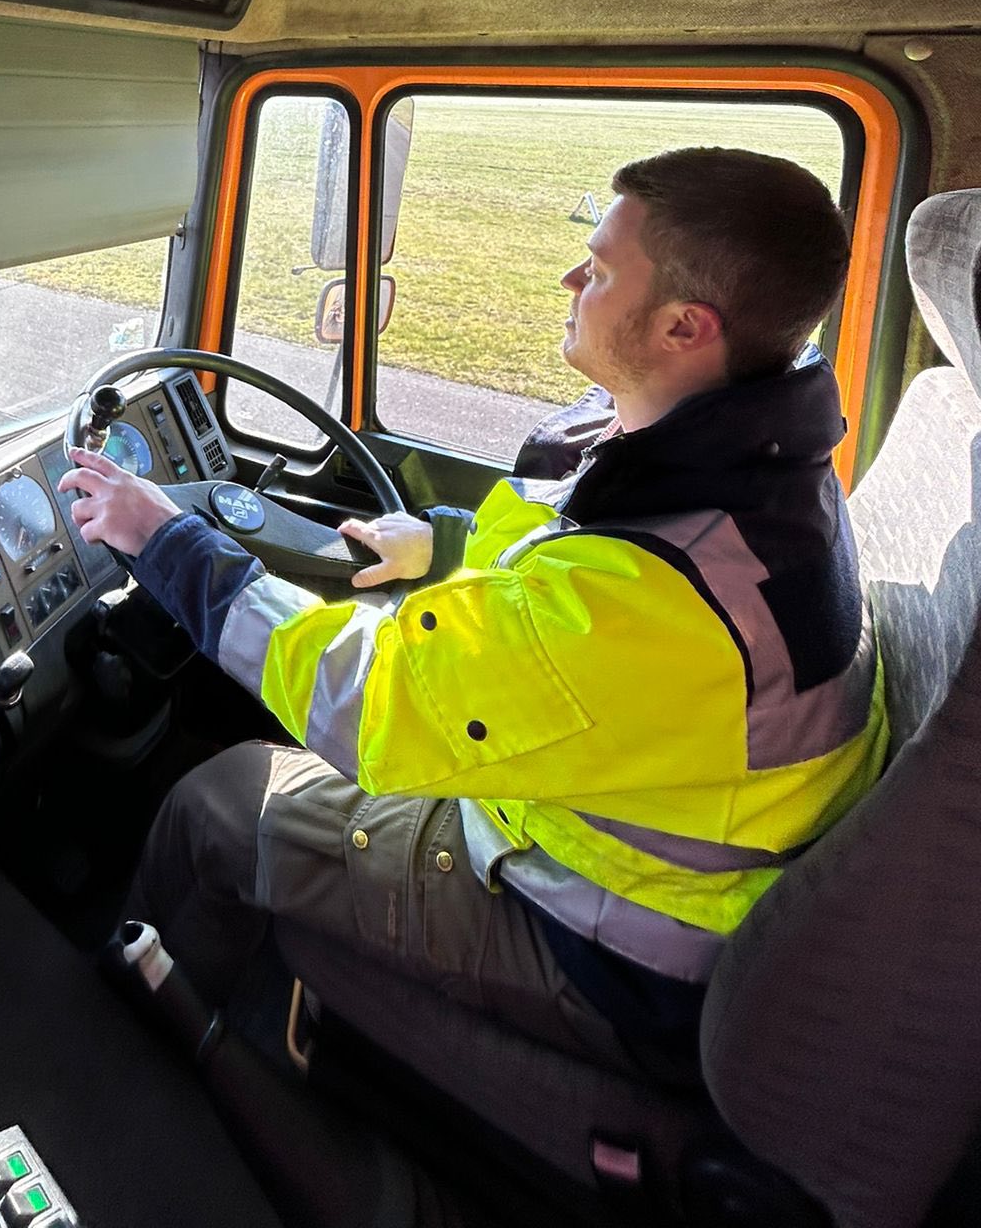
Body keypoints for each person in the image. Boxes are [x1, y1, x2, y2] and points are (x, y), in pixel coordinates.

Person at [59, 148, 888, 1075]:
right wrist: (443, 547)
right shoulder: (741, 465)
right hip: (622, 820)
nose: (571, 277)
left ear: (684, 326)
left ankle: (126, 1066)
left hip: (609, 940)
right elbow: (564, 560)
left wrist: (168, 541)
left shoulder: (653, 602)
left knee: (219, 804)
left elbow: (366, 702)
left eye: (602, 269)